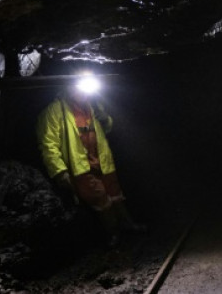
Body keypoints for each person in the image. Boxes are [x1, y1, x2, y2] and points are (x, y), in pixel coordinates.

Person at [36, 75, 142, 247]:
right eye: (79, 88)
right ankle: (114, 234)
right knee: (99, 198)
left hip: (102, 160)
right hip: (81, 166)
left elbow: (107, 128)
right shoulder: (54, 111)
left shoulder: (92, 105)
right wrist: (59, 171)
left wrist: (104, 116)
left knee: (115, 193)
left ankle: (128, 225)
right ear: (68, 88)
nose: (83, 93)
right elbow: (48, 144)